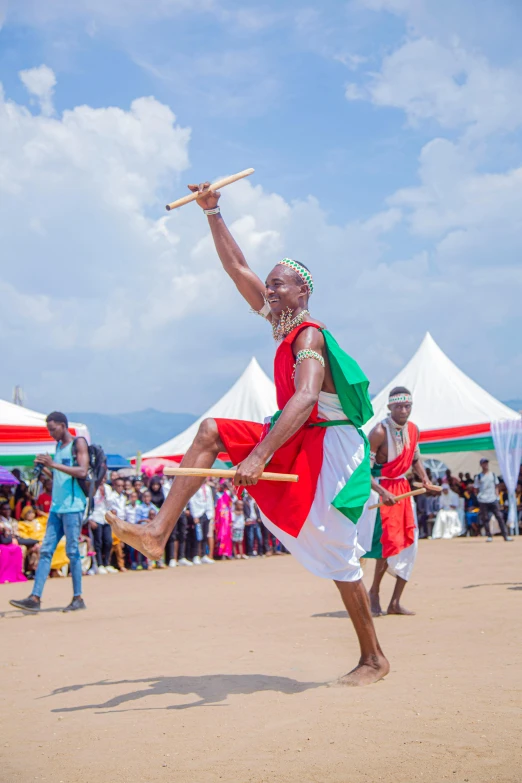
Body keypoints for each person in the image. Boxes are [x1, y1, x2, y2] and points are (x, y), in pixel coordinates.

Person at [106, 179, 388, 686]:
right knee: (211, 430)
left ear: (302, 293)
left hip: (331, 446)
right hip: (302, 435)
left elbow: (304, 399)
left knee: (338, 553)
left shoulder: (308, 335)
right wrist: (212, 213)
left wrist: (258, 456)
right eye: (271, 284)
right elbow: (238, 268)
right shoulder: (282, 324)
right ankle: (157, 531)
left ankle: (373, 658)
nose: (270, 290)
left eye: (279, 285)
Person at [361, 387, 431, 617]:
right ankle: (374, 593)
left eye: (407, 406)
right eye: (399, 406)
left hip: (403, 491)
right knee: (387, 544)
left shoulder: (413, 430)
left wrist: (426, 480)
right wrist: (382, 491)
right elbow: (365, 472)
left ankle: (395, 601)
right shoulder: (379, 432)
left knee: (410, 545)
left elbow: (416, 458)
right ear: (390, 407)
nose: (404, 410)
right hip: (383, 493)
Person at [9, 411, 89, 613]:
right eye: (49, 430)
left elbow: (82, 471)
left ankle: (78, 597)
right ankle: (35, 598)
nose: (51, 433)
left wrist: (52, 464)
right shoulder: (58, 447)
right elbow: (60, 478)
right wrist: (45, 468)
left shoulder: (77, 444)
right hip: (57, 507)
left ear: (63, 426)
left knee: (72, 552)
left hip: (73, 507)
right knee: (45, 551)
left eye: (53, 429)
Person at [474, 458, 513, 542]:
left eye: (486, 463)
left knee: (499, 516)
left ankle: (505, 535)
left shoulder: (493, 475)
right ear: (481, 465)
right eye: (484, 463)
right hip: (483, 500)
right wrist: (479, 497)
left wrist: (497, 496)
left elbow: (496, 486)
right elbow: (476, 489)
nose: (486, 465)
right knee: (485, 518)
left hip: (493, 499)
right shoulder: (479, 477)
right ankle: (489, 536)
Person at [187, 480, 215, 565]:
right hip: (198, 513)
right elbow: (192, 501)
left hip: (206, 514)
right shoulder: (195, 487)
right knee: (197, 536)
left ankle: (203, 555)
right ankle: (196, 555)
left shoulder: (207, 488)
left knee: (205, 536)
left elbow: (210, 501)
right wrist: (195, 515)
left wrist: (211, 514)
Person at [89, 482, 113, 574]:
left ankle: (106, 563)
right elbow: (88, 503)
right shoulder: (92, 486)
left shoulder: (107, 488)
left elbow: (110, 504)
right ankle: (99, 565)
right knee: (98, 542)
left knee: (108, 541)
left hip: (106, 518)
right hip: (96, 518)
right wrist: (90, 519)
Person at [108, 478, 128, 572]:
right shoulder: (111, 497)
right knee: (115, 544)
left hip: (123, 522)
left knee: (121, 545)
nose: (120, 488)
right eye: (118, 486)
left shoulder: (123, 497)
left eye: (122, 486)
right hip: (114, 523)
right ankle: (111, 564)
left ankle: (120, 564)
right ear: (114, 486)